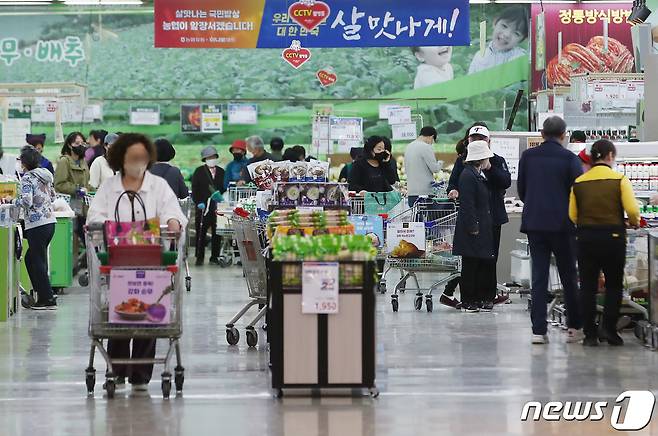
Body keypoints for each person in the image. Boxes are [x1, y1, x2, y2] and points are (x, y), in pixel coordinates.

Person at [88, 133, 187, 391]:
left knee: (149, 316)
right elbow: (94, 216)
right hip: (117, 265)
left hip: (152, 263)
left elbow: (172, 212)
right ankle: (118, 370)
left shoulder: (158, 187)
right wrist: (103, 226)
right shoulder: (109, 188)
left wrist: (174, 222)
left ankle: (141, 374)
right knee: (118, 315)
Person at [518, 116, 583, 345]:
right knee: (568, 276)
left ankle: (538, 331)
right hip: (563, 225)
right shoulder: (569, 158)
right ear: (564, 135)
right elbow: (579, 190)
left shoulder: (528, 157)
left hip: (535, 224)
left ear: (542, 134)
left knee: (539, 277)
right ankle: (574, 327)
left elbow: (522, 190)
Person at [569, 140, 640, 346]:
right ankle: (609, 329)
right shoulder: (619, 180)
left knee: (588, 287)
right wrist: (632, 222)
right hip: (613, 238)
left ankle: (590, 334)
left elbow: (572, 215)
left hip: (586, 239)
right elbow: (633, 211)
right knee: (614, 285)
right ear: (610, 155)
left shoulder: (579, 183)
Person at [444, 123, 512, 308]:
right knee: (472, 259)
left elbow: (505, 181)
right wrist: (453, 191)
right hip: (474, 216)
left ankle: (488, 296)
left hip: (493, 216)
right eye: (474, 139)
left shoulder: (496, 160)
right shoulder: (463, 163)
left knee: (490, 258)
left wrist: (489, 167)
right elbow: (453, 183)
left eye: (482, 139)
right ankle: (471, 297)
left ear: (489, 141)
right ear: (468, 141)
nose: (478, 142)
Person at [451, 141, 496, 313]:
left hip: (480, 225)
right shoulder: (468, 176)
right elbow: (467, 204)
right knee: (470, 265)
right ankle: (468, 300)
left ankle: (475, 299)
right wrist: (473, 226)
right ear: (480, 158)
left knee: (477, 263)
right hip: (472, 228)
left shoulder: (476, 174)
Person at [11, 146, 57, 310]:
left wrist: (10, 201)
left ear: (24, 163)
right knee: (32, 259)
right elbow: (53, 197)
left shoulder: (27, 178)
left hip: (37, 225)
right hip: (50, 223)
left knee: (37, 261)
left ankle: (48, 299)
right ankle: (41, 292)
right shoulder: (45, 175)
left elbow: (26, 201)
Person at [55, 132, 91, 276]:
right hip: (69, 207)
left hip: (83, 206)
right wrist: (76, 189)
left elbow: (87, 182)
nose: (81, 146)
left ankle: (77, 267)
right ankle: (71, 269)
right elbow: (59, 184)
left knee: (84, 238)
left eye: (83, 143)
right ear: (69, 145)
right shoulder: (64, 161)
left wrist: (90, 189)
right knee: (75, 239)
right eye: (77, 143)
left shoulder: (83, 162)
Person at [191, 146, 226, 266]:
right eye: (209, 157)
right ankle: (199, 257)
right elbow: (194, 189)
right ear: (204, 159)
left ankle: (214, 256)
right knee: (201, 232)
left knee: (217, 232)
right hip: (203, 207)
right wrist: (198, 202)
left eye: (214, 157)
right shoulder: (199, 171)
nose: (212, 159)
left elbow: (224, 188)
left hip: (217, 207)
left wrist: (222, 199)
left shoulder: (222, 172)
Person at [468, 6, 528, 74]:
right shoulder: (479, 56)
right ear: (495, 23)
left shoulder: (520, 58)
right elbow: (470, 83)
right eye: (504, 26)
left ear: (522, 40)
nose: (507, 34)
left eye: (516, 33)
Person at [404, 126, 443, 206]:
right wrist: (440, 163)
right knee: (426, 217)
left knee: (415, 217)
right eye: (432, 140)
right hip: (424, 192)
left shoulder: (408, 146)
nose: (431, 143)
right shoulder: (426, 147)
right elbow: (435, 169)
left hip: (411, 191)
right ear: (432, 137)